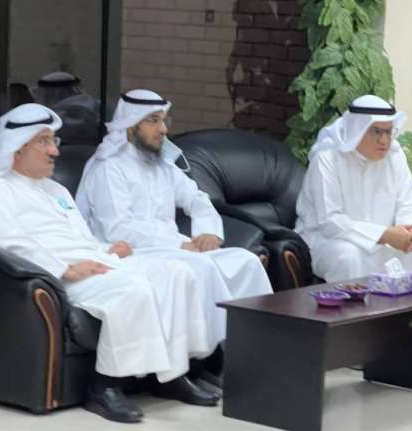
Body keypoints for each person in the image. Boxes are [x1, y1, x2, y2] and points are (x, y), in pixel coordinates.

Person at [0, 103, 220, 424]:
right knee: (131, 289)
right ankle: (105, 387)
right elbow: (5, 242)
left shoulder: (55, 189)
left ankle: (172, 375)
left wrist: (108, 249)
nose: (54, 151)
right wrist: (64, 268)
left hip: (94, 261)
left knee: (178, 273)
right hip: (56, 274)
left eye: (54, 141)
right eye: (43, 142)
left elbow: (80, 237)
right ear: (16, 148)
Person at [75, 89, 274, 384]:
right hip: (132, 253)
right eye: (153, 121)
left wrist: (207, 232)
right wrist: (181, 244)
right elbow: (119, 228)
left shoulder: (161, 164)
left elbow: (196, 198)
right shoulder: (108, 167)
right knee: (200, 267)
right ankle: (201, 364)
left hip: (173, 248)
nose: (163, 129)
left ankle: (247, 355)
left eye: (163, 120)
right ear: (130, 127)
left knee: (245, 262)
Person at [294, 94, 412, 288]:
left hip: (385, 241)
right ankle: (358, 309)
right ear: (357, 129)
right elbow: (331, 222)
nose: (384, 140)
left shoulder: (394, 156)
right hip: (330, 242)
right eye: (376, 132)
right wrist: (385, 235)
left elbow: (410, 203)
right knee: (349, 256)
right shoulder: (327, 159)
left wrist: (409, 231)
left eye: (388, 132)